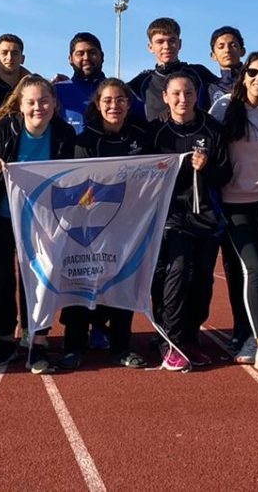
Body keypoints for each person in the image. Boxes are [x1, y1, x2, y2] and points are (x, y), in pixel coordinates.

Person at [0, 75, 77, 373]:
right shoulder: (2, 130)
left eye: (44, 101)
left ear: (54, 103)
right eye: (31, 102)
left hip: (42, 222)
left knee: (41, 281)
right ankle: (3, 336)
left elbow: (73, 179)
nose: (38, 107)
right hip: (1, 219)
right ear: (20, 104)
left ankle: (37, 340)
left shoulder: (64, 134)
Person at [62, 78, 151, 369]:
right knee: (82, 283)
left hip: (128, 226)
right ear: (98, 105)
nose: (115, 106)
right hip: (89, 227)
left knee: (122, 283)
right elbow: (80, 187)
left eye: (120, 100)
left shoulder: (141, 135)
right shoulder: (85, 140)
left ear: (128, 103)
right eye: (108, 100)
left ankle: (121, 347)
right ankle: (74, 346)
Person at [147, 73, 232, 370]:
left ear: (197, 96)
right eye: (177, 94)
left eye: (189, 94)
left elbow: (226, 174)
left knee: (202, 280)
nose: (183, 100)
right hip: (169, 216)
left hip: (206, 216)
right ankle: (170, 340)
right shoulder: (155, 131)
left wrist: (207, 168)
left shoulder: (212, 129)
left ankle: (191, 338)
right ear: (166, 97)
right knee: (177, 271)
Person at [211, 52, 258, 373]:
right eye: (254, 72)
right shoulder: (224, 107)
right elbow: (203, 137)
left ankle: (255, 339)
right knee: (252, 268)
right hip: (234, 201)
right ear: (244, 75)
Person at [127, 17, 218, 122]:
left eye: (172, 41)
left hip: (198, 136)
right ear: (150, 47)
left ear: (180, 44)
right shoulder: (141, 82)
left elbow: (228, 90)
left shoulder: (199, 73)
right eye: (160, 42)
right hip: (156, 137)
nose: (166, 46)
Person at [55, 32, 108, 133]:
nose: (86, 58)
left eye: (92, 53)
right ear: (70, 59)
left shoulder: (118, 93)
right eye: (80, 54)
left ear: (102, 56)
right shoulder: (56, 92)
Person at [207, 26, 245, 106]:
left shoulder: (254, 81)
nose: (227, 50)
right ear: (213, 55)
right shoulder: (210, 89)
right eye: (221, 47)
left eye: (233, 45)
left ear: (242, 51)